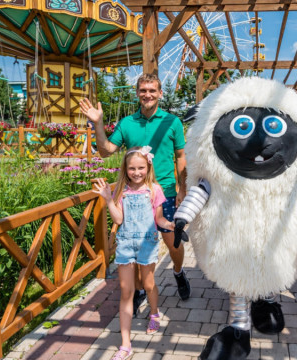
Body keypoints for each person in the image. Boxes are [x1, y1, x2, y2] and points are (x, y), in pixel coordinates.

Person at [79, 73, 191, 309]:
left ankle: (179, 272)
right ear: (137, 93)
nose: (147, 94)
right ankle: (140, 287)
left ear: (160, 93)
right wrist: (98, 124)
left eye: (152, 90)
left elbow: (181, 156)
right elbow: (106, 151)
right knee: (139, 243)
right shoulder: (127, 123)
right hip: (135, 194)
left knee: (173, 244)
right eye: (143, 90)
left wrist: (183, 188)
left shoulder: (172, 122)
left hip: (166, 192)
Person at [93, 147, 174, 360]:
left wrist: (171, 224)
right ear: (125, 169)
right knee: (125, 290)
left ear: (148, 167)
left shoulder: (154, 190)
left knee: (148, 284)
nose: (136, 172)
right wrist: (108, 199)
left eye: (140, 168)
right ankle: (126, 345)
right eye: (132, 168)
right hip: (126, 244)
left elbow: (159, 219)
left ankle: (154, 312)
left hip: (147, 244)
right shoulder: (121, 191)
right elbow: (118, 220)